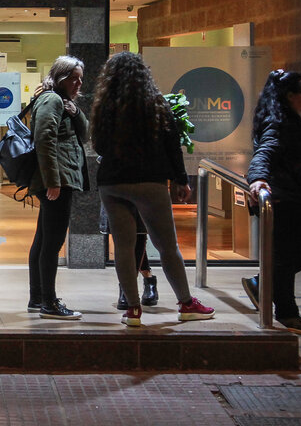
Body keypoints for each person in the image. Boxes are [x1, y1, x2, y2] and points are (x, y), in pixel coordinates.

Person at [90, 52, 215, 327]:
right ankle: (185, 303)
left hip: (112, 183)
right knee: (167, 246)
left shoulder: (104, 108)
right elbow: (173, 146)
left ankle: (132, 310)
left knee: (123, 246)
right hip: (150, 182)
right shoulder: (157, 105)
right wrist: (181, 180)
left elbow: (98, 146)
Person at [245, 69, 301, 335]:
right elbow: (266, 151)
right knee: (299, 254)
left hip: (291, 198)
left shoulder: (286, 118)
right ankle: (287, 313)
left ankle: (263, 284)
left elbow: (294, 158)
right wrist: (258, 178)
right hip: (283, 200)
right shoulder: (279, 121)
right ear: (289, 96)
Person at [26, 55, 88, 320]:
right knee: (52, 243)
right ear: (60, 77)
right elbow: (44, 140)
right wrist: (53, 181)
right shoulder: (51, 100)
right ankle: (49, 303)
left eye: (80, 79)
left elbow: (84, 134)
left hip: (60, 178)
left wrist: (76, 112)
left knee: (43, 239)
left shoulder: (63, 102)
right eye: (73, 78)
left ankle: (38, 297)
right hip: (57, 180)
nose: (78, 84)